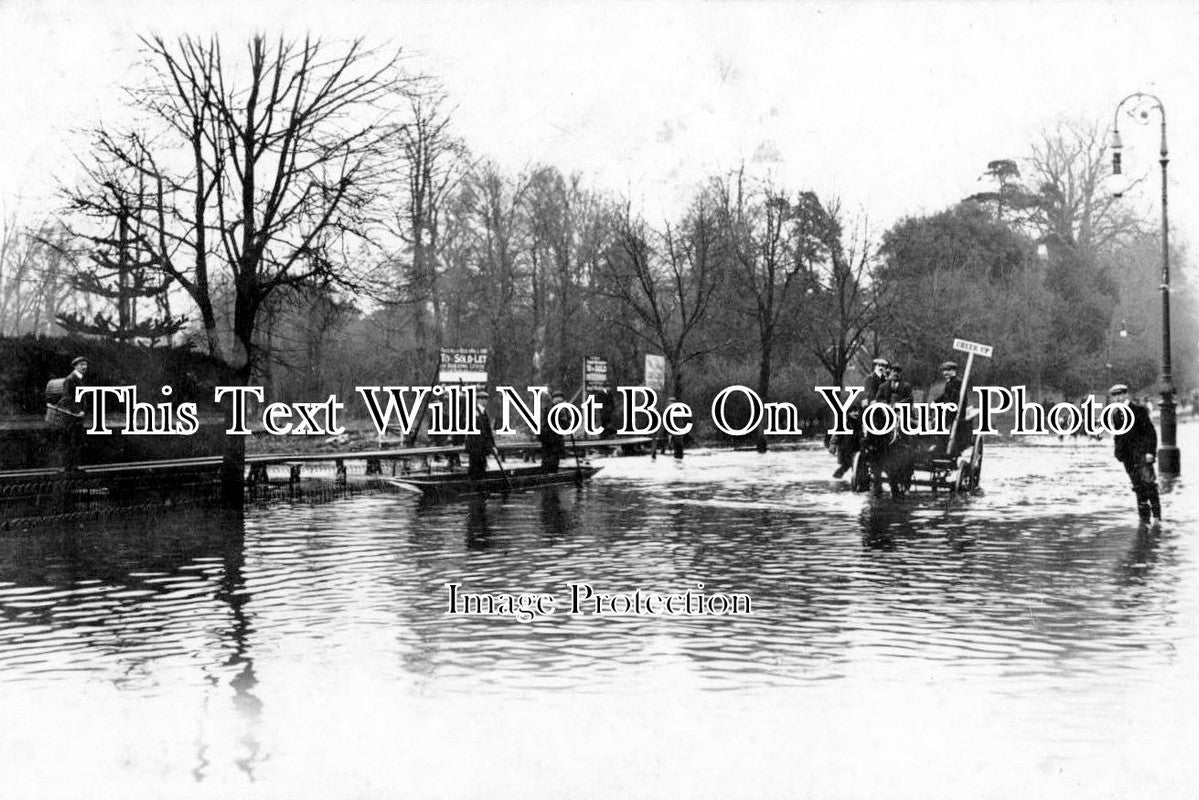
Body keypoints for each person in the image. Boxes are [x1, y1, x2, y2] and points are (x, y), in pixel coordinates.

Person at [1109, 383, 1162, 522]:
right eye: (1115, 396)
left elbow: (1150, 433)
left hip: (1142, 454)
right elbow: (1118, 435)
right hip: (1128, 457)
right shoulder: (1116, 414)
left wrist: (1151, 452)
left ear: (1126, 394)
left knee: (1149, 484)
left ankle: (1157, 517)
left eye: (1120, 394)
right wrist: (1118, 452)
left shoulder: (1139, 410)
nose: (1118, 398)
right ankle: (1144, 520)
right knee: (1137, 487)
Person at [47, 356, 88, 472]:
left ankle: (73, 466)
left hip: (78, 417)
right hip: (71, 416)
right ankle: (67, 467)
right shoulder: (70, 379)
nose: (84, 367)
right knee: (70, 440)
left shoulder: (79, 379)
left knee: (76, 440)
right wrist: (77, 411)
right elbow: (67, 398)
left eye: (85, 364)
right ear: (75, 366)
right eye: (81, 365)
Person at [464, 389, 495, 481]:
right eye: (482, 399)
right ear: (477, 400)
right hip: (474, 446)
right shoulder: (473, 411)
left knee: (482, 467)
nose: (484, 401)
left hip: (482, 447)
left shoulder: (483, 412)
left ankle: (479, 486)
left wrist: (493, 446)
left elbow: (488, 432)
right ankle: (473, 486)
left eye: (485, 399)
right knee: (474, 468)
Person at [538, 389, 568, 472]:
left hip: (551, 437)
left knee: (551, 457)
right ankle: (549, 473)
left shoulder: (559, 409)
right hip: (550, 437)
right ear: (554, 399)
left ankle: (548, 472)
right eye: (557, 398)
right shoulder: (552, 409)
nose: (559, 401)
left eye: (560, 399)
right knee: (551, 456)